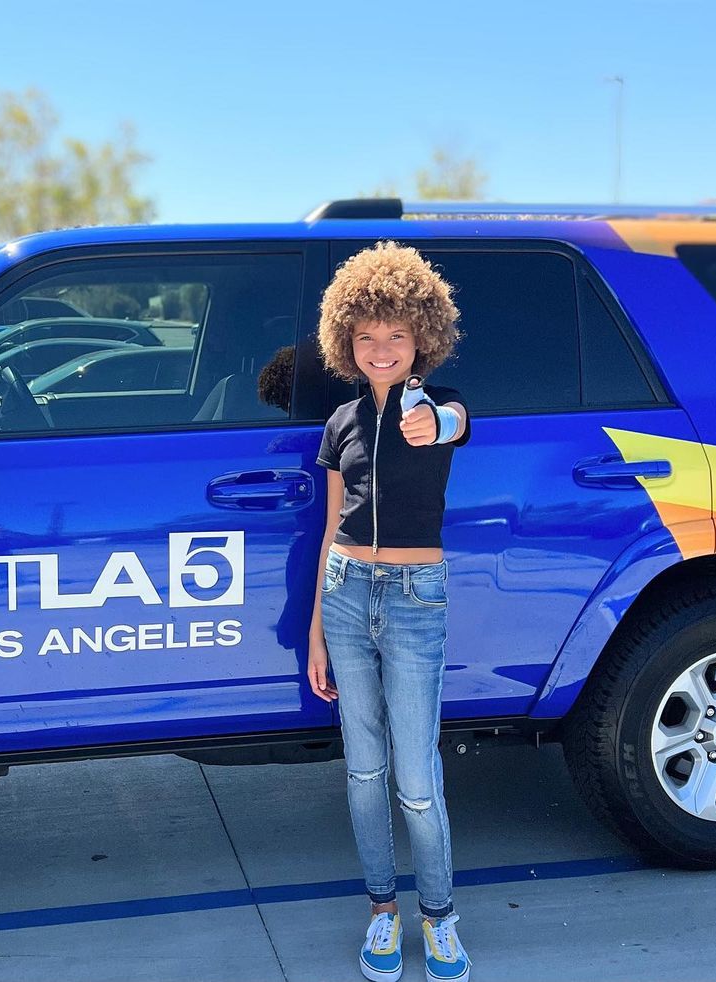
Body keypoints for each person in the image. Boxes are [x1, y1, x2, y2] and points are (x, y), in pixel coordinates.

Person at [309, 240, 473, 982]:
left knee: (416, 777)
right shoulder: (340, 423)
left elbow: (457, 421)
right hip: (346, 593)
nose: (381, 349)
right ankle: (383, 910)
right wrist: (317, 629)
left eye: (396, 335)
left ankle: (439, 917)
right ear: (345, 340)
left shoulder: (433, 408)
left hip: (414, 599)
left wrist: (436, 422)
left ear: (422, 339)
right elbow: (331, 527)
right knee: (363, 771)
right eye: (366, 335)